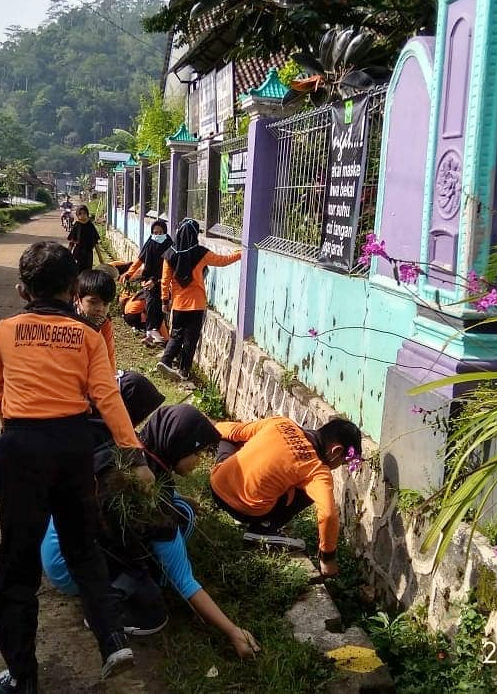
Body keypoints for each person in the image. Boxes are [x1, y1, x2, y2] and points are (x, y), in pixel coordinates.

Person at [0, 241, 153, 692]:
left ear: (24, 290)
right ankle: (112, 640)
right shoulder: (87, 335)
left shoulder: (5, 330)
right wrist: (135, 455)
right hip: (73, 446)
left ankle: (23, 677)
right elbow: (107, 397)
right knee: (83, 548)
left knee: (17, 565)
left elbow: (0, 392)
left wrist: (17, 440)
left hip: (22, 446)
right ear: (71, 288)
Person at [41, 404, 262, 660]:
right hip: (69, 569)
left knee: (180, 510)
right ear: (179, 444)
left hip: (57, 542)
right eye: (198, 452)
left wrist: (182, 499)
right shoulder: (149, 502)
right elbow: (185, 581)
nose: (199, 461)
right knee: (153, 614)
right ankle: (105, 611)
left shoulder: (132, 452)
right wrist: (232, 631)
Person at [209, 416, 363, 578]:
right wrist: (327, 559)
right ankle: (264, 527)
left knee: (233, 437)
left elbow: (231, 430)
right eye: (343, 462)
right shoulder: (317, 470)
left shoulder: (281, 423)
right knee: (310, 492)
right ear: (336, 451)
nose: (339, 466)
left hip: (217, 487)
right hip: (246, 511)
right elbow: (328, 514)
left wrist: (206, 431)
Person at [156, 218, 241, 381]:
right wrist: (241, 254)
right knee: (191, 338)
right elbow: (223, 261)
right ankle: (184, 370)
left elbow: (165, 280)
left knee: (176, 334)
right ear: (195, 234)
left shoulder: (169, 254)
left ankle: (165, 360)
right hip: (197, 304)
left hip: (179, 304)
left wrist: (164, 301)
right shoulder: (201, 253)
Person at [120, 219, 172, 347]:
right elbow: (139, 260)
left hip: (162, 282)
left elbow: (169, 270)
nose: (157, 235)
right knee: (152, 304)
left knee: (157, 307)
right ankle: (152, 332)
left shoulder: (170, 247)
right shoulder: (149, 244)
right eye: (155, 232)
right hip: (148, 281)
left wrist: (157, 280)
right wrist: (129, 274)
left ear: (165, 232)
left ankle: (153, 335)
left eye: (160, 232)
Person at [75, 268, 118, 372]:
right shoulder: (66, 320)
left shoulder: (104, 324)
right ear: (78, 299)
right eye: (93, 302)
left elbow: (109, 362)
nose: (100, 309)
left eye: (105, 304)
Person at [67, 204, 101, 271]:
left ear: (87, 214)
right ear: (77, 215)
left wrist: (100, 258)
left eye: (84, 213)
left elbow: (95, 243)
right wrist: (67, 256)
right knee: (77, 273)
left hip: (88, 255)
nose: (82, 215)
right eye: (80, 213)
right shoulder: (76, 226)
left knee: (87, 274)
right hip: (78, 254)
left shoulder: (90, 226)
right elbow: (71, 243)